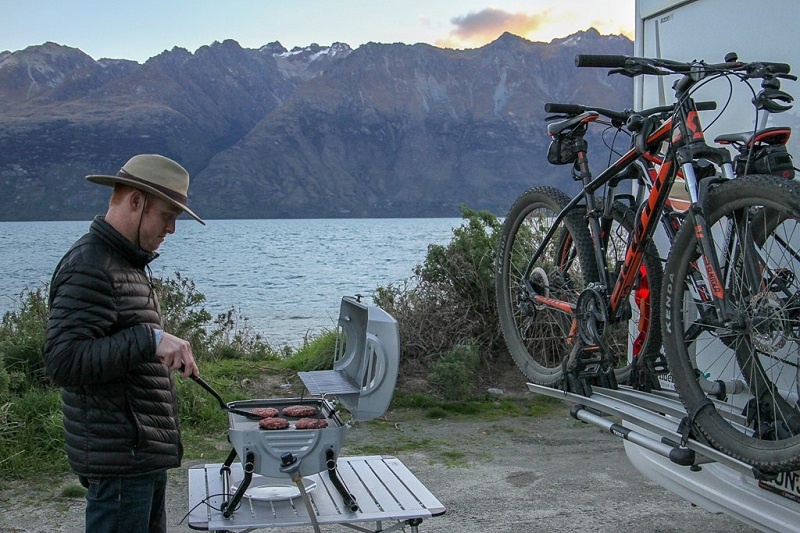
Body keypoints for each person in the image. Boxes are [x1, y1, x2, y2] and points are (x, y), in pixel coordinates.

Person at [44, 154, 205, 533]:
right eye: (167, 215)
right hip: (119, 464)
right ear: (136, 201)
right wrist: (149, 340)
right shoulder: (90, 265)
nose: (171, 229)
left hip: (140, 456)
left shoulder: (124, 262)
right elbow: (62, 361)